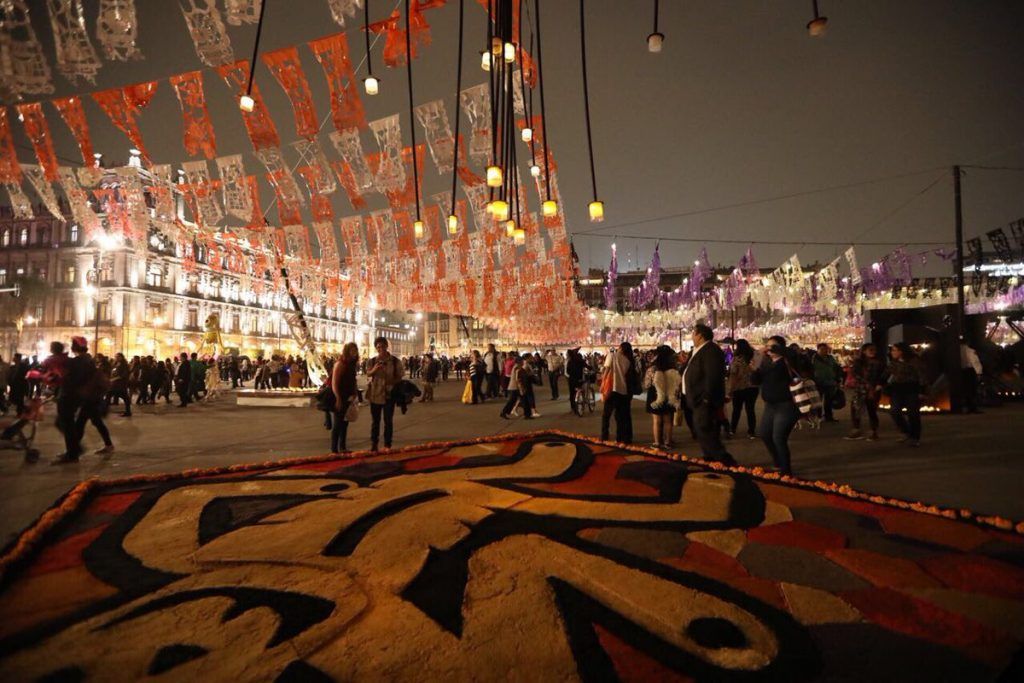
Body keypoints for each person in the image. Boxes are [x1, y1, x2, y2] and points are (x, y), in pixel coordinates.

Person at [682, 324, 736, 465]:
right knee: (702, 432)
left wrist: (706, 399)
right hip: (697, 400)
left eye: (693, 333)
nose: (692, 336)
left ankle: (726, 462)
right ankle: (710, 459)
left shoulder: (710, 350)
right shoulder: (700, 350)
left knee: (707, 433)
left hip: (704, 401)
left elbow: (713, 377)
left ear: (700, 335)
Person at [753, 340, 799, 475]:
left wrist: (776, 348)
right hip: (771, 405)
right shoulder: (767, 363)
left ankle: (785, 470)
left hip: (786, 404)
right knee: (765, 434)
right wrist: (757, 361)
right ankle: (778, 461)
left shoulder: (787, 361)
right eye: (767, 345)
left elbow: (792, 353)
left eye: (772, 345)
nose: (768, 348)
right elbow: (755, 380)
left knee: (778, 437)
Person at [52, 337, 97, 464]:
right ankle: (74, 450)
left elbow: (67, 378)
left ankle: (73, 453)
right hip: (78, 397)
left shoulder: (76, 362)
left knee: (65, 423)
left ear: (74, 347)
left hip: (69, 396)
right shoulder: (89, 360)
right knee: (67, 423)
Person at [367, 336, 403, 451]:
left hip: (389, 395)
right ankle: (374, 444)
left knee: (388, 421)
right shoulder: (372, 361)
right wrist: (375, 370)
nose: (380, 349)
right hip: (375, 395)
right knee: (375, 421)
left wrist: (390, 381)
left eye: (382, 346)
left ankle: (387, 444)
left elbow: (400, 376)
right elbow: (368, 373)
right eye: (378, 347)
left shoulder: (395, 361)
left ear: (387, 346)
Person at [845, 343, 886, 440]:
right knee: (856, 408)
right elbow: (855, 374)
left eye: (874, 350)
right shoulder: (858, 362)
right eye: (870, 350)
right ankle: (856, 429)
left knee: (872, 410)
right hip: (860, 389)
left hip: (873, 389)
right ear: (864, 351)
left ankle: (873, 431)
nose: (873, 352)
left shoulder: (879, 363)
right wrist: (863, 383)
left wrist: (879, 384)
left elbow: (884, 375)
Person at [644, 345, 681, 449]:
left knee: (656, 420)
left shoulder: (652, 368)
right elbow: (678, 383)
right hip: (670, 395)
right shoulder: (673, 368)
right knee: (668, 420)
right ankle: (668, 442)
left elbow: (647, 384)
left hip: (655, 395)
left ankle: (656, 443)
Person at [601, 342, 638, 444]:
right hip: (623, 390)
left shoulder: (612, 355)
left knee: (606, 415)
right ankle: (621, 438)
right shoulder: (628, 360)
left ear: (621, 348)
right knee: (621, 416)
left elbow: (606, 371)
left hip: (611, 389)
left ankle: (604, 437)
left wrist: (602, 385)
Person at [887, 342, 923, 446]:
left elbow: (921, 375)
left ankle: (915, 437)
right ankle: (905, 431)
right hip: (897, 389)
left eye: (894, 350)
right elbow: (886, 373)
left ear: (901, 351)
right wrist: (880, 383)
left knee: (913, 413)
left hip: (911, 389)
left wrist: (922, 390)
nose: (892, 352)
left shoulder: (914, 361)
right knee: (894, 411)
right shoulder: (894, 362)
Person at [330, 342, 359, 453]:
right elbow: (334, 383)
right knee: (337, 424)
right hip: (340, 396)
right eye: (352, 350)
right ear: (347, 351)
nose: (354, 352)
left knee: (345, 423)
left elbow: (353, 380)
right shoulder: (340, 364)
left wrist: (355, 393)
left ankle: (342, 447)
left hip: (348, 397)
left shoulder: (351, 364)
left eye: (355, 350)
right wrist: (338, 398)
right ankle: (334, 450)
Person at [728, 339, 759, 439]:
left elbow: (733, 375)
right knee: (750, 410)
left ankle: (732, 429)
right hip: (753, 387)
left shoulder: (736, 359)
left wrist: (731, 390)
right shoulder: (753, 358)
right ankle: (751, 432)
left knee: (736, 410)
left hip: (739, 388)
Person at [812, 343, 843, 422]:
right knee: (818, 401)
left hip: (830, 383)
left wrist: (837, 379)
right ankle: (818, 417)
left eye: (826, 349)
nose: (824, 351)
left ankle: (828, 417)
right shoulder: (813, 359)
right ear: (817, 349)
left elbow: (836, 368)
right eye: (822, 349)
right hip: (818, 383)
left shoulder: (830, 358)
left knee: (828, 401)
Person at [500, 354, 534, 419]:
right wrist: (521, 388)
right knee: (517, 400)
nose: (523, 362)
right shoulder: (517, 368)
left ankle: (527, 415)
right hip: (516, 387)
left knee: (520, 400)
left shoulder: (516, 367)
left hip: (515, 387)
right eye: (522, 361)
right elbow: (518, 379)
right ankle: (504, 412)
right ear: (519, 362)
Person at [960, 340, 983, 414]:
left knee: (967, 390)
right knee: (972, 390)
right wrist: (979, 372)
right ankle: (972, 407)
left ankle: (968, 406)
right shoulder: (970, 351)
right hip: (970, 371)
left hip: (962, 371)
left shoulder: (957, 351)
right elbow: (975, 362)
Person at [108, 353, 132, 417]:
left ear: (121, 357)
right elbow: (114, 371)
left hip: (121, 384)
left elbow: (124, 374)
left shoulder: (124, 365)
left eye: (118, 357)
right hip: (115, 384)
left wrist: (114, 378)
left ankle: (128, 412)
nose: (116, 358)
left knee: (125, 398)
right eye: (116, 357)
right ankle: (128, 411)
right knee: (109, 395)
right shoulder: (116, 364)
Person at [566, 348, 585, 414]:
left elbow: (567, 371)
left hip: (571, 380)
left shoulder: (570, 361)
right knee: (581, 389)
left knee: (572, 393)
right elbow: (587, 366)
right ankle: (582, 402)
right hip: (579, 379)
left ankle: (573, 408)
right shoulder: (580, 360)